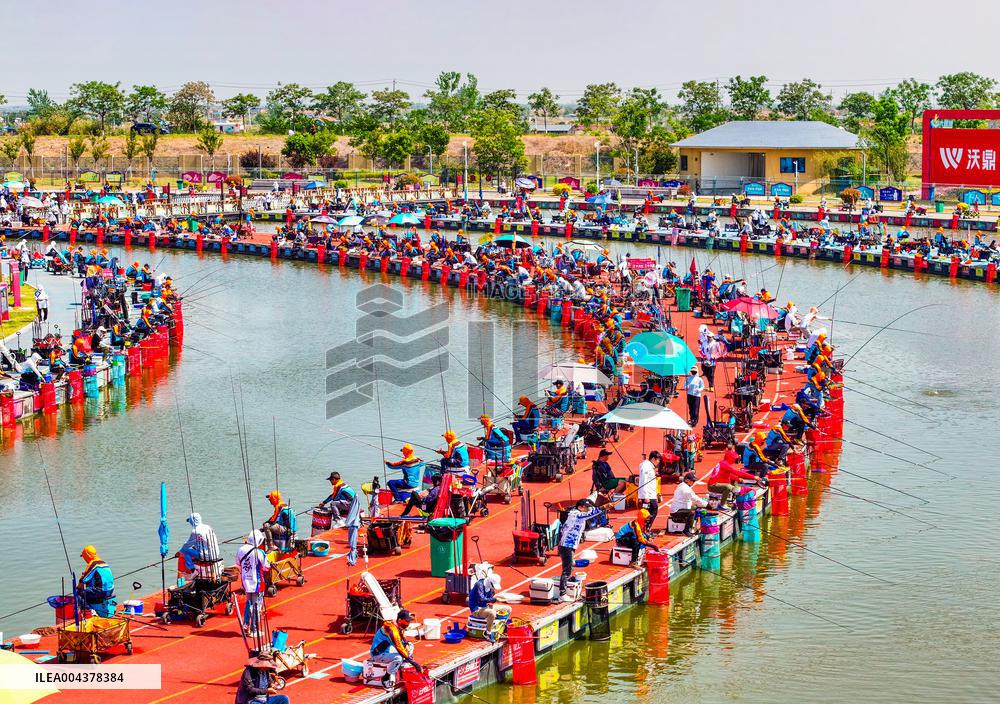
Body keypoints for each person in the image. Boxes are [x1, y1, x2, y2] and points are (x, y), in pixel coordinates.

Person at [556, 498, 602, 601]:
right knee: (567, 570)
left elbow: (591, 512)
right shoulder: (576, 514)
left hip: (569, 545)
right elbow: (591, 514)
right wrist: (603, 507)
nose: (587, 510)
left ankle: (566, 589)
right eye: (586, 508)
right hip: (567, 545)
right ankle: (562, 594)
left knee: (570, 566)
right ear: (580, 507)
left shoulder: (577, 514)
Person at [370, 610, 422, 690]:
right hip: (378, 654)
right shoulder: (392, 631)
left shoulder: (398, 625)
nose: (408, 623)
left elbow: (402, 639)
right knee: (398, 658)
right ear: (400, 620)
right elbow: (399, 647)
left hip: (388, 650)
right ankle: (386, 678)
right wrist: (415, 664)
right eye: (407, 621)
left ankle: (404, 664)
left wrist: (407, 644)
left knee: (410, 646)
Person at [235, 530, 270, 638]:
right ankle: (254, 629)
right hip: (257, 582)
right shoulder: (259, 552)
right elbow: (266, 567)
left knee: (248, 602)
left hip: (245, 581)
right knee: (256, 605)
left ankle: (246, 624)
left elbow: (237, 562)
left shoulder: (241, 549)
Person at [176, 512, 221, 581]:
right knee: (192, 549)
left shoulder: (195, 531)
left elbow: (187, 545)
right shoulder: (208, 527)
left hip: (206, 556)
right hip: (215, 554)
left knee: (186, 552)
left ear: (192, 521)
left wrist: (179, 552)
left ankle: (193, 571)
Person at [78, 545, 116, 617]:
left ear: (87, 556)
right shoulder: (103, 563)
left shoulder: (93, 564)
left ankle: (90, 611)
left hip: (101, 591)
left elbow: (83, 580)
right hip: (110, 589)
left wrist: (78, 588)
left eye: (84, 557)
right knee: (89, 588)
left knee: (79, 593)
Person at [668, 471, 708, 536]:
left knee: (696, 507)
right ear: (687, 480)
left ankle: (693, 526)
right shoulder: (685, 489)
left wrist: (703, 504)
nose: (693, 482)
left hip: (682, 508)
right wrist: (707, 504)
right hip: (676, 511)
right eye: (692, 481)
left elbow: (695, 499)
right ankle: (686, 530)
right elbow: (695, 498)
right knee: (692, 512)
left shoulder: (683, 485)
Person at [468, 570, 501, 641]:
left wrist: (495, 597)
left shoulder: (489, 587)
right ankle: (488, 632)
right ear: (490, 582)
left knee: (508, 609)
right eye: (493, 586)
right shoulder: (479, 585)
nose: (494, 588)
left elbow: (490, 598)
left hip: (485, 607)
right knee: (492, 613)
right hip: (477, 609)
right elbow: (482, 599)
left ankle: (501, 626)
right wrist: (494, 599)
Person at [636, 450, 660, 530]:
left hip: (651, 494)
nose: (658, 462)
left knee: (648, 512)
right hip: (647, 495)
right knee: (653, 510)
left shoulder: (649, 466)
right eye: (658, 460)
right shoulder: (646, 466)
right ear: (653, 458)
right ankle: (645, 528)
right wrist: (646, 496)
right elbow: (644, 481)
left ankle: (645, 528)